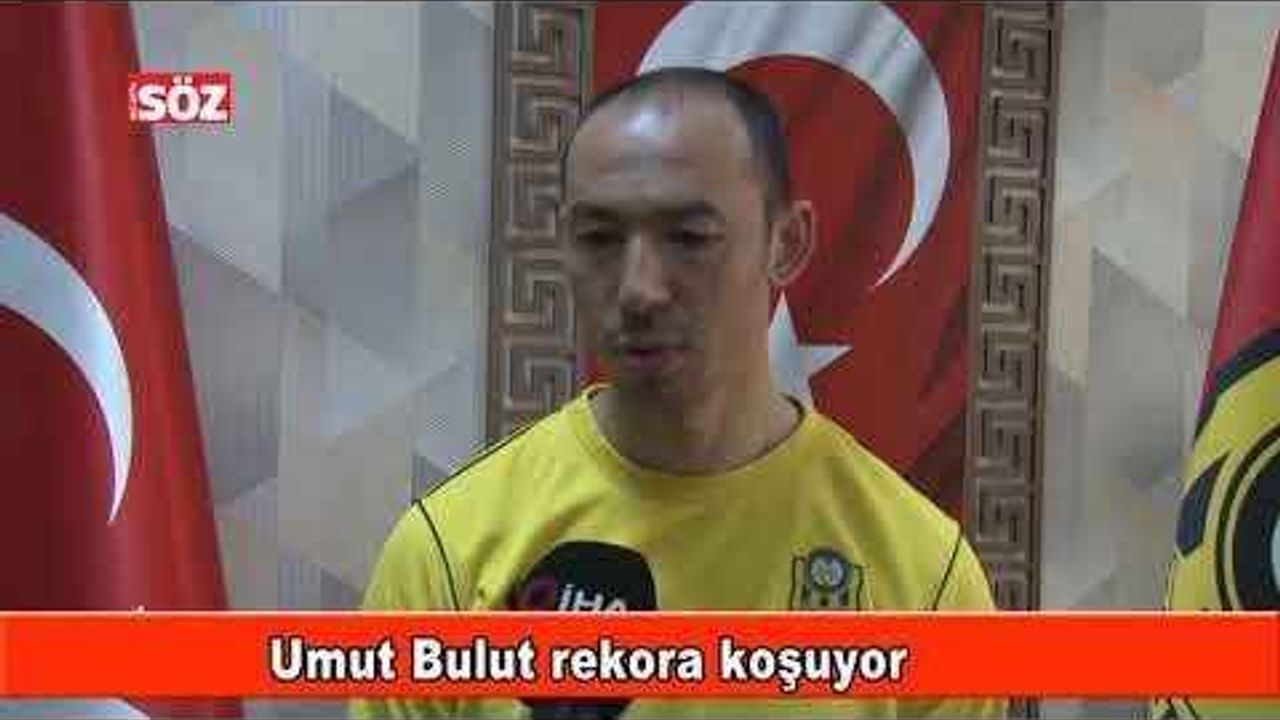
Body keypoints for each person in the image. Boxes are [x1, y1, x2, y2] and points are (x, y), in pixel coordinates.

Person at [352, 68, 1004, 719]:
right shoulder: (448, 554)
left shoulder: (926, 579)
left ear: (787, 242)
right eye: (600, 239)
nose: (639, 289)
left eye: (690, 238)